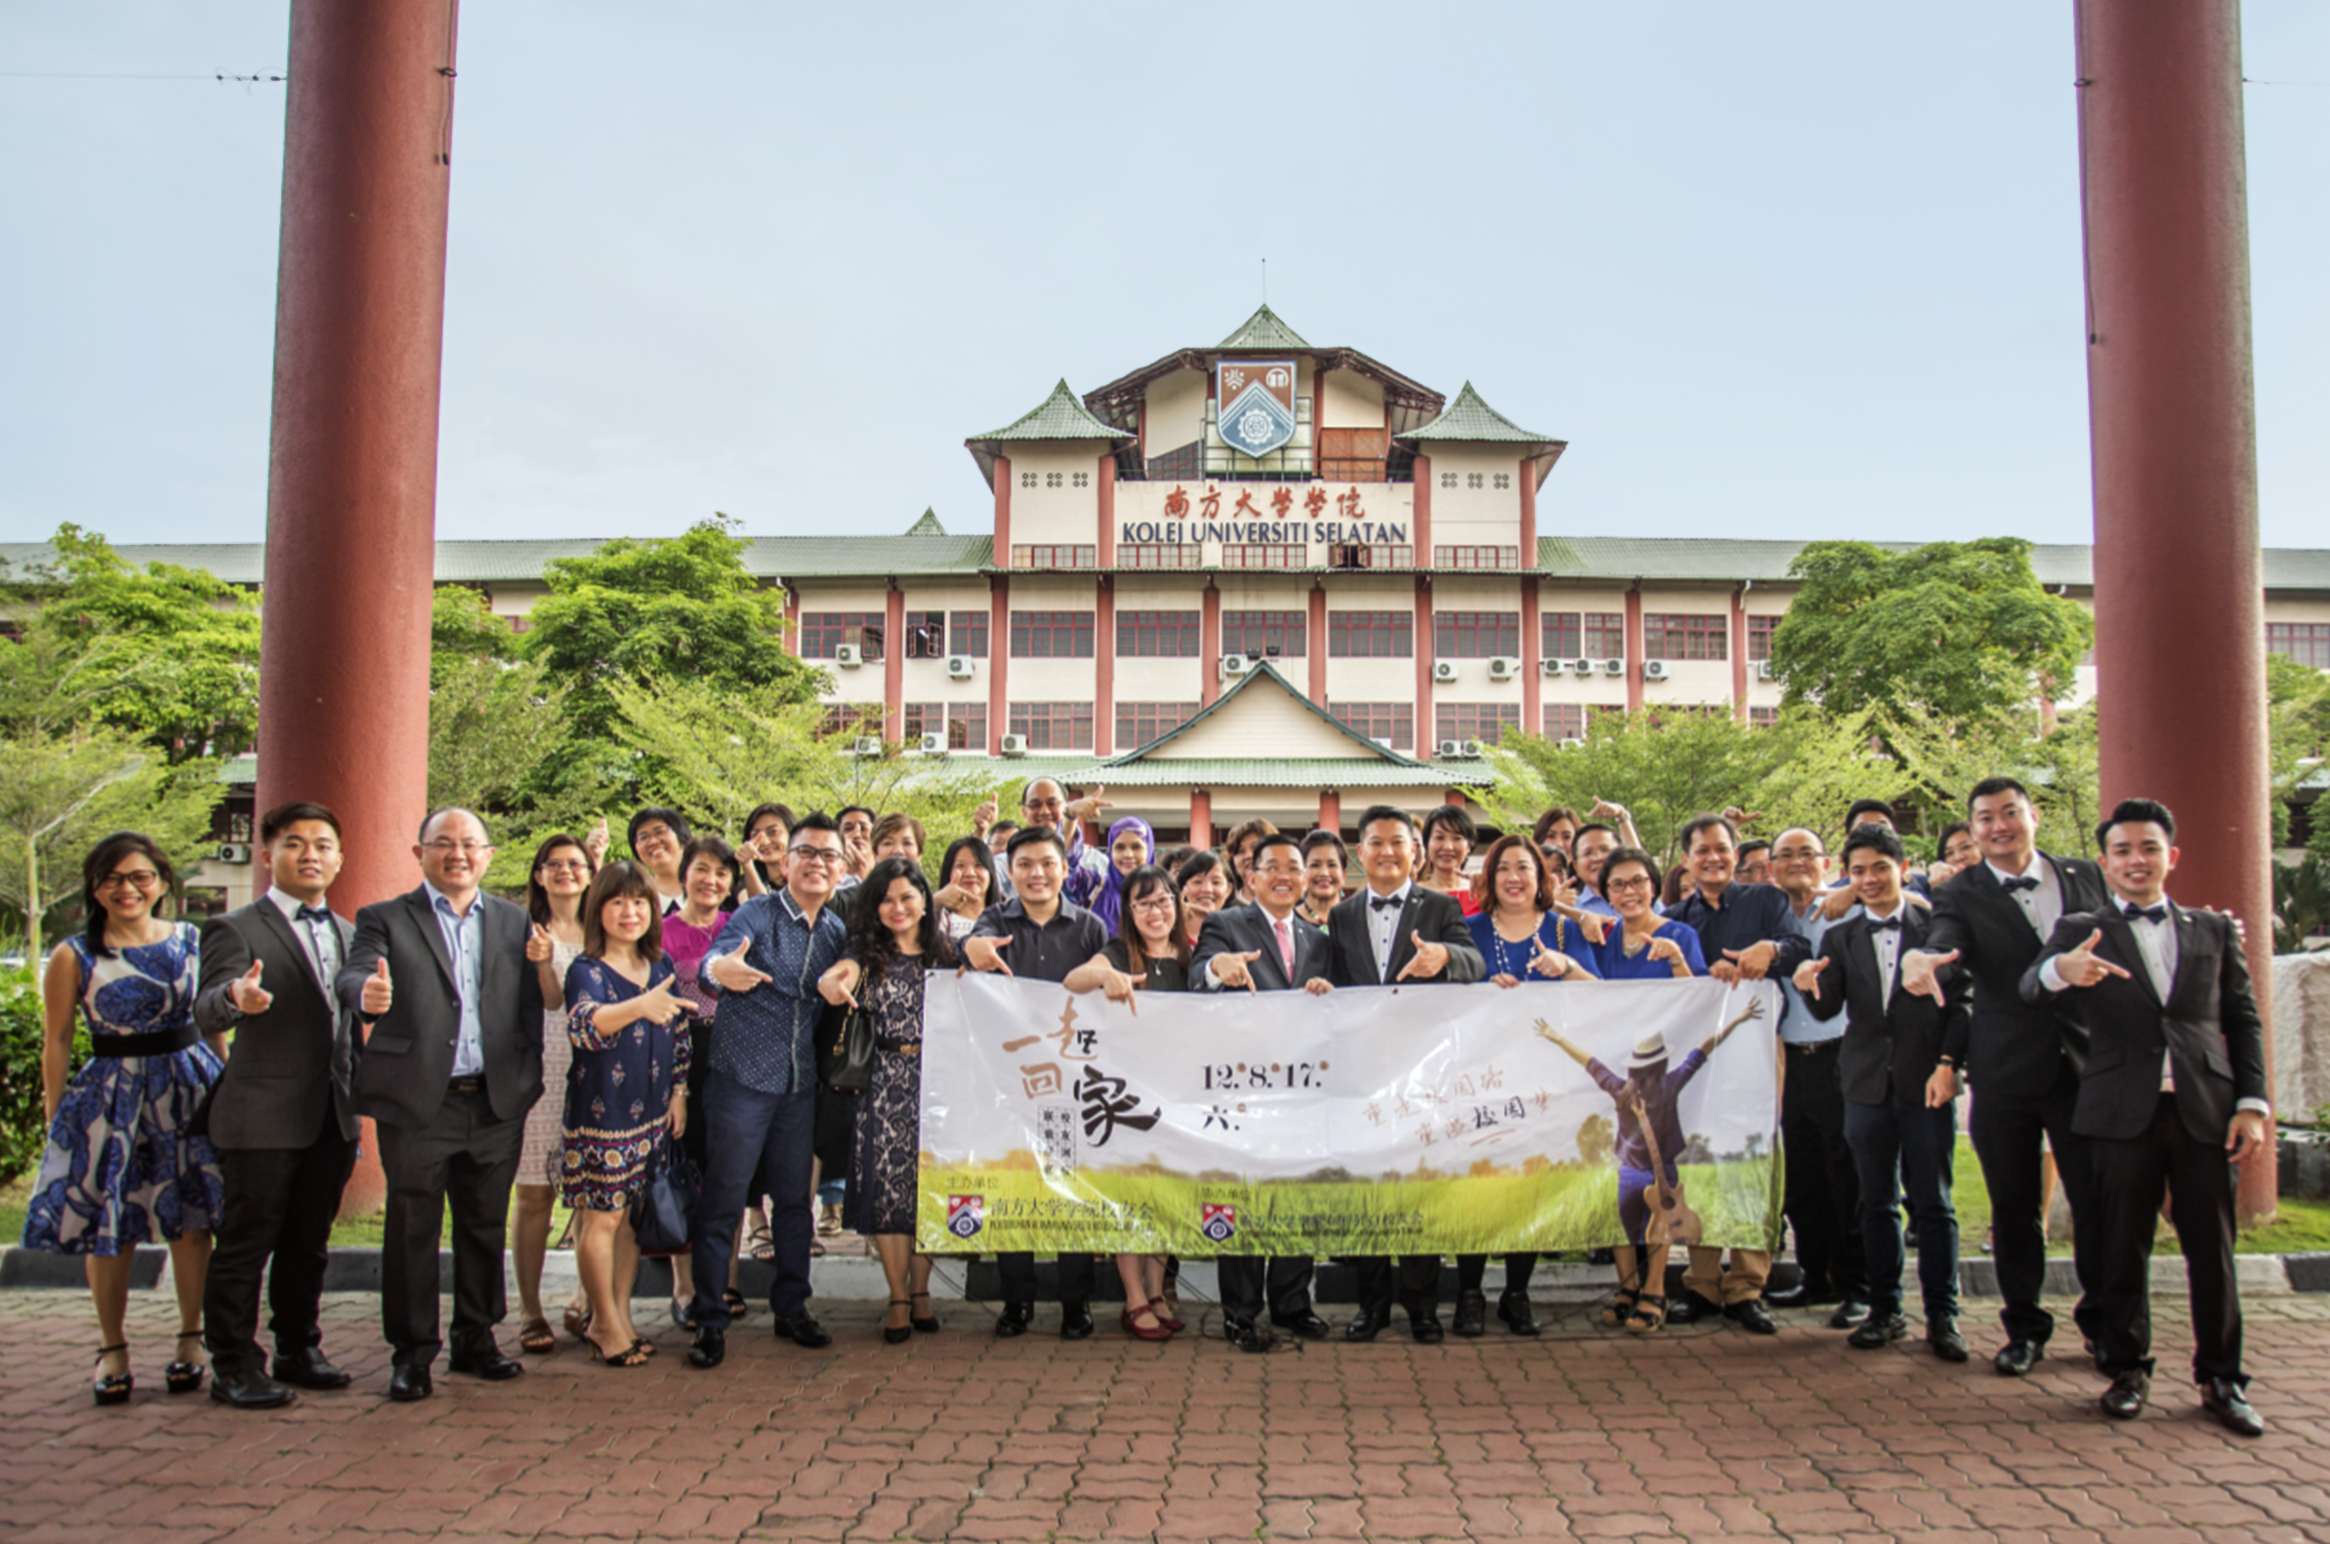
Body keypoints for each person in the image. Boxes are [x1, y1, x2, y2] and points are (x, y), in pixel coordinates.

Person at [2019, 798, 2269, 1435]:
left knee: (2212, 1250)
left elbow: (2241, 1019)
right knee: (2120, 1247)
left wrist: (2252, 1104)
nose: (2136, 860)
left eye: (2148, 848)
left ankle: (2222, 1378)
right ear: (2105, 862)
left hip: (2204, 1111)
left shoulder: (2213, 929)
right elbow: (2029, 988)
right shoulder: (2082, 928)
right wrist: (2061, 969)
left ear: (2170, 856)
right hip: (2119, 1111)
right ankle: (2126, 1369)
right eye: (2123, 851)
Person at [1900, 776, 2110, 1378]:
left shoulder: (2083, 876)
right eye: (1985, 818)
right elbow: (1945, 945)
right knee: (2014, 1206)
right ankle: (2024, 1328)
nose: (1999, 826)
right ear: (1973, 829)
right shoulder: (1959, 893)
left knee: (2096, 1202)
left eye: (2009, 813)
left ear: (2032, 815)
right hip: (2004, 1068)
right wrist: (1922, 959)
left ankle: (2104, 1326)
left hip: (2085, 1063)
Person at [338, 808, 544, 1402]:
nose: (458, 854)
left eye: (470, 844)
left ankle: (476, 1339)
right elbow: (354, 975)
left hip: (495, 1100)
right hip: (419, 1103)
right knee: (412, 1228)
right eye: (444, 843)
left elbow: (529, 1004)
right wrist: (366, 994)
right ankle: (412, 1354)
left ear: (489, 855)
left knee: (484, 1225)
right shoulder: (384, 918)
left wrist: (523, 1078)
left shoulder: (512, 920)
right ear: (420, 852)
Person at [26, 832, 224, 1406]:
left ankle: (191, 1338)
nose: (127, 888)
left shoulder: (191, 940)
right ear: (95, 888)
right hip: (112, 1098)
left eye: (140, 877)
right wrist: (57, 1115)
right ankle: (112, 1348)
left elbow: (211, 1021)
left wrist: (225, 1084)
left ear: (162, 883)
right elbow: (58, 1039)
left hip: (189, 1087)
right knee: (112, 1226)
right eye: (112, 878)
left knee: (193, 1221)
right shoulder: (75, 954)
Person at [191, 802, 362, 1410]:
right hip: (261, 1115)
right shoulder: (234, 928)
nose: (309, 854)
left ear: (339, 859)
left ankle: (298, 1347)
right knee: (246, 1242)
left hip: (332, 1113)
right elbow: (206, 1007)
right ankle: (233, 1364)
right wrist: (235, 997)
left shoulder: (350, 934)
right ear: (268, 855)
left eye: (322, 844)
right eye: (294, 843)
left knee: (308, 1242)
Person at [1794, 824, 1970, 1363]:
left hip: (1927, 1082)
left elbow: (1963, 1003)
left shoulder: (1936, 929)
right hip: (1865, 1084)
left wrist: (1949, 1065)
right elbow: (1828, 1008)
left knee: (1934, 1204)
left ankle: (1942, 1315)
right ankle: (1884, 1309)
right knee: (1875, 1203)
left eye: (1879, 868)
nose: (1868, 879)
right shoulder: (1841, 936)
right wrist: (1808, 982)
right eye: (1858, 871)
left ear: (1903, 868)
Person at [688, 812, 852, 1365]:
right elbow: (717, 960)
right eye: (807, 853)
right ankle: (709, 1319)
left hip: (798, 1086)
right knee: (724, 1201)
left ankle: (791, 1307)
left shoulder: (834, 932)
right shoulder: (756, 913)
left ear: (840, 869)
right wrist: (719, 972)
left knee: (794, 1204)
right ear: (785, 862)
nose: (817, 864)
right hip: (741, 1080)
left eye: (829, 856)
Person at [1323, 806, 1485, 1344]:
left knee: (1419, 1187)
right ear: (1360, 852)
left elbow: (1475, 963)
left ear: (1415, 851)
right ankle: (1371, 1305)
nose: (1388, 851)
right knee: (1368, 1191)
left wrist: (1445, 956)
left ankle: (1421, 1307)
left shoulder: (1440, 907)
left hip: (1423, 1076)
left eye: (1398, 841)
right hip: (1363, 1078)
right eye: (1376, 842)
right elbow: (1336, 986)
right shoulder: (1342, 915)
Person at [1662, 812, 1809, 1335]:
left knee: (1752, 1158)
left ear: (1736, 852)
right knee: (1699, 1162)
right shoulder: (1674, 918)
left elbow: (1801, 951)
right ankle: (1701, 1283)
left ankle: (1747, 1286)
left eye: (1722, 848)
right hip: (1696, 1060)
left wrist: (1773, 950)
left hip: (1756, 1051)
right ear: (1686, 860)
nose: (1714, 858)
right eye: (1702, 851)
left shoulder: (1767, 902)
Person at [1535, 1000, 1764, 1334]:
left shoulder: (1624, 1088)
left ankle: (1644, 1289)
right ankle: (1641, 1289)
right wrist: (1735, 1020)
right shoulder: (1665, 1084)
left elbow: (1591, 1063)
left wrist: (1557, 1038)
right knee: (1640, 1228)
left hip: (1645, 1170)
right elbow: (1701, 1051)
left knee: (1639, 1228)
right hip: (1643, 1170)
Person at [964, 825, 1112, 1338]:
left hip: (1073, 1081)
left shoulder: (1090, 928)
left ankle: (1075, 1301)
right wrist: (971, 948)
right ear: (1009, 871)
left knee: (1072, 1186)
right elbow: (969, 948)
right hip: (1010, 1080)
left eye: (1047, 863)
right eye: (1024, 864)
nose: (1036, 874)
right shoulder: (994, 921)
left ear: (1065, 869)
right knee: (1015, 1183)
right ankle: (1016, 1300)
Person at [1192, 833, 1337, 1351]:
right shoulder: (1226, 925)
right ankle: (1241, 1310)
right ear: (1250, 877)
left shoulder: (1319, 938)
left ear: (1305, 879)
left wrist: (1327, 993)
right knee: (1244, 1195)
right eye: (1270, 866)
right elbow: (1197, 974)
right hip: (1244, 1089)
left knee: (1296, 1195)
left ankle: (1293, 1303)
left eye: (1293, 867)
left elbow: (1339, 1011)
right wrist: (1218, 968)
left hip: (1301, 1090)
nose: (1283, 876)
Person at [1456, 833, 1598, 1338]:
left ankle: (1516, 1293)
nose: (1513, 878)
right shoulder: (1469, 930)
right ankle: (1469, 1293)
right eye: (1503, 869)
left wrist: (1569, 966)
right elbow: (1441, 1002)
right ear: (1489, 879)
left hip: (1545, 1081)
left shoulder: (1564, 929)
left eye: (1524, 868)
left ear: (1542, 878)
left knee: (1530, 1185)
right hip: (1480, 1079)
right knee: (1476, 1185)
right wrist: (1480, 992)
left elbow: (1603, 996)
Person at [819, 858, 956, 1344]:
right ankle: (897, 1295)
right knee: (888, 1193)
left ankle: (921, 1291)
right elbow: (842, 973)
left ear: (924, 900)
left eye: (907, 897)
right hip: (880, 1085)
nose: (897, 908)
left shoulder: (946, 954)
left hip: (937, 1086)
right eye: (886, 899)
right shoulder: (864, 952)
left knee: (926, 1191)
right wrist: (833, 981)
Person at [559, 862, 689, 1368]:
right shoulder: (586, 970)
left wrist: (679, 1092)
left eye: (639, 902)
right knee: (602, 1217)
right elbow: (584, 1027)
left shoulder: (659, 965)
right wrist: (640, 1006)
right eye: (617, 902)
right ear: (598, 909)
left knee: (631, 1221)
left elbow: (679, 1034)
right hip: (603, 1116)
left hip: (652, 1115)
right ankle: (602, 1323)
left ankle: (620, 1316)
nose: (629, 912)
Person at [1064, 865, 1190, 1341]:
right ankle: (1134, 1298)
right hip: (1127, 1099)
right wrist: (1104, 975)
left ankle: (1156, 1292)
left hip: (1176, 1097)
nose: (1155, 912)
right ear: (1129, 911)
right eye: (1143, 904)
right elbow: (1074, 981)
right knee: (1131, 1197)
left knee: (1164, 1196)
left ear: (1175, 904)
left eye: (1163, 901)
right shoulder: (1118, 952)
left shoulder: (1190, 957)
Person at [1763, 827, 1868, 1327]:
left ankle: (1858, 1285)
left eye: (1808, 854)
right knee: (1803, 1176)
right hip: (1789, 1060)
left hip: (1842, 1055)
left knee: (1848, 1174)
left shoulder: (1848, 908)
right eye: (1785, 855)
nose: (1797, 862)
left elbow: (1914, 901)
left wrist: (1855, 889)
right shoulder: (1772, 917)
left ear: (1827, 863)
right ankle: (1816, 1275)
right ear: (1771, 868)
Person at [513, 832, 594, 1353]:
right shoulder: (520, 930)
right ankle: (529, 1308)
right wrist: (541, 960)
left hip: (595, 1074)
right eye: (554, 864)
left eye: (576, 863)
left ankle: (585, 1299)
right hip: (540, 1075)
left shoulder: (604, 929)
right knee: (534, 1196)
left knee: (592, 1195)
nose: (566, 871)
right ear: (539, 874)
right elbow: (549, 1003)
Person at [662, 834, 742, 1328]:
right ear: (684, 875)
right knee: (686, 1170)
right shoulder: (661, 932)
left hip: (732, 1054)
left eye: (721, 873)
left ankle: (726, 1279)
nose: (711, 880)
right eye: (702, 870)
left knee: (728, 1172)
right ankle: (685, 1286)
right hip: (680, 1054)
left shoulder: (739, 926)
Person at [1592, 849, 1706, 981]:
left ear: (1653, 887)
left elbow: (1699, 992)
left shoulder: (1681, 936)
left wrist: (1676, 958)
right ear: (1607, 893)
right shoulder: (1603, 938)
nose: (1629, 891)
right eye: (1617, 884)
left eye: (1638, 881)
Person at [1066, 815, 1154, 933]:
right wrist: (1070, 816)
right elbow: (1068, 866)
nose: (1128, 854)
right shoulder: (1093, 887)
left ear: (1149, 850)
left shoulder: (1162, 896)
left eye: (1136, 847)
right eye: (1119, 847)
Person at [1417, 804, 1481, 916]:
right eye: (1439, 837)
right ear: (1427, 844)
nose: (1448, 847)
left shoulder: (1480, 893)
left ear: (1469, 846)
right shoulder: (1414, 894)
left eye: (1457, 838)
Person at [932, 834, 996, 942]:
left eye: (978, 865)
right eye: (960, 866)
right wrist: (935, 900)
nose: (970, 873)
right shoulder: (938, 921)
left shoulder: (1005, 919)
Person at [627, 807, 693, 911]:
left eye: (659, 832)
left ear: (681, 837)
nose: (653, 842)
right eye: (644, 837)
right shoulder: (634, 905)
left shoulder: (711, 892)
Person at [1173, 850, 1234, 952]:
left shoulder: (1239, 933)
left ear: (1228, 890)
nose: (1207, 889)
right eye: (1198, 882)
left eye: (1216, 882)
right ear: (1183, 887)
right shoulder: (1168, 932)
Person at [1222, 817, 1279, 905]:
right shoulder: (1223, 908)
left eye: (1255, 847)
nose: (1248, 855)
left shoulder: (1293, 907)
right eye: (1241, 851)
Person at [1298, 829, 1349, 927]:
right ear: (1302, 873)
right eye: (1315, 865)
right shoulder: (1287, 921)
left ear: (1344, 875)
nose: (1324, 873)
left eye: (1332, 865)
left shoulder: (1357, 920)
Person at [837, 805, 877, 887]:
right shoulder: (828, 884)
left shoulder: (890, 880)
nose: (857, 834)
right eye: (848, 828)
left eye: (863, 828)